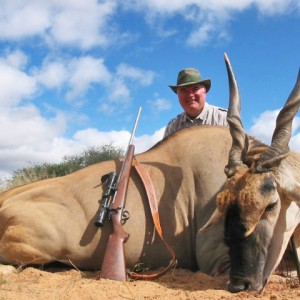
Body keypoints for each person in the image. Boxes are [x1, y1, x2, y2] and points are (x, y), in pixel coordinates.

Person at [163, 68, 228, 138]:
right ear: (178, 95)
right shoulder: (172, 127)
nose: (190, 95)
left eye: (195, 89)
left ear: (204, 91)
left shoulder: (224, 119)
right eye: (184, 90)